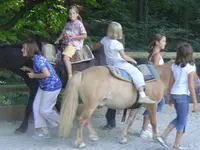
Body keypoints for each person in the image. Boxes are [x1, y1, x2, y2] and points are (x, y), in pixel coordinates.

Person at [91, 21, 156, 105]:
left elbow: (95, 46)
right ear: (119, 32)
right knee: (137, 73)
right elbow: (124, 57)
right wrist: (132, 60)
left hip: (109, 63)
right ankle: (142, 95)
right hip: (119, 63)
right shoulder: (118, 44)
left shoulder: (104, 40)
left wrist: (90, 47)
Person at [157, 43, 198, 149]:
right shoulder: (190, 67)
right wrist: (195, 103)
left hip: (175, 94)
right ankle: (172, 142)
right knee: (182, 120)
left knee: (180, 118)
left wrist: (169, 96)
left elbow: (171, 82)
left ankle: (168, 139)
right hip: (182, 96)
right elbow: (191, 86)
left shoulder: (174, 65)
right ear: (189, 54)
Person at [21, 41, 62, 139]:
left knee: (44, 111)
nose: (22, 50)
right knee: (36, 107)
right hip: (44, 86)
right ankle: (43, 132)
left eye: (24, 48)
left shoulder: (37, 60)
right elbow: (42, 71)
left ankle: (63, 123)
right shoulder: (35, 58)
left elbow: (47, 74)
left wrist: (33, 75)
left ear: (30, 49)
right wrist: (30, 70)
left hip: (52, 87)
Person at [140, 34, 167, 139]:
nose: (165, 43)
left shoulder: (152, 54)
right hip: (155, 84)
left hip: (152, 83)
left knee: (158, 104)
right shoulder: (157, 55)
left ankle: (148, 126)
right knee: (155, 104)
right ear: (157, 42)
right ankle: (145, 128)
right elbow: (155, 71)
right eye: (163, 41)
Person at [55, 5, 87, 79]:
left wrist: (73, 37)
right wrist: (58, 39)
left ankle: (70, 75)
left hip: (74, 44)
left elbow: (85, 35)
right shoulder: (68, 24)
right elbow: (63, 33)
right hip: (66, 42)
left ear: (77, 14)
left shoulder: (79, 24)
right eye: (70, 13)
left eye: (73, 13)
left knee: (66, 57)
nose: (72, 15)